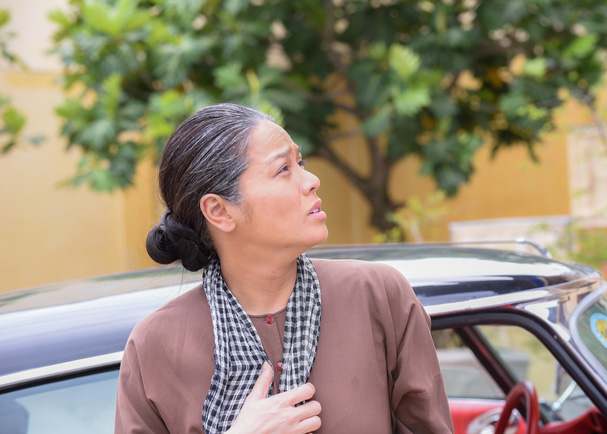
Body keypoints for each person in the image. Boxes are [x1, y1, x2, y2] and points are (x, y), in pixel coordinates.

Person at [114, 103, 453, 434]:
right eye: (283, 169)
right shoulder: (154, 346)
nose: (312, 180)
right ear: (220, 211)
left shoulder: (376, 296)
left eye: (300, 162)